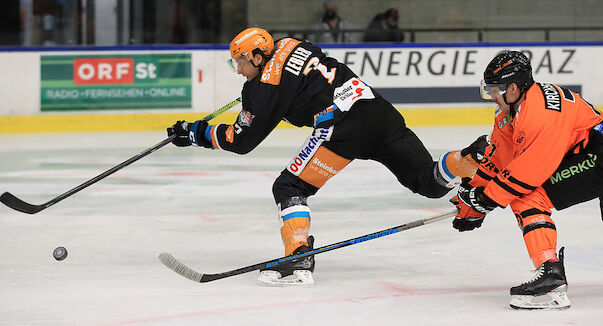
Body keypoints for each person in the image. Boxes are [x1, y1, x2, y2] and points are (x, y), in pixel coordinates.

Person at [167, 27, 486, 286]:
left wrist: (195, 133)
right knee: (429, 182)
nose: (238, 70)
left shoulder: (262, 87)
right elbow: (299, 75)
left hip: (341, 128)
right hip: (377, 110)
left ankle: (298, 256)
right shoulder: (290, 42)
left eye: (240, 61)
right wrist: (273, 102)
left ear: (258, 55)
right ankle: (471, 157)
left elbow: (241, 140)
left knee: (289, 188)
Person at [450, 50, 603, 309]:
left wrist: (485, 201)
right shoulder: (512, 110)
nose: (492, 96)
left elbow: (527, 174)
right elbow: (498, 158)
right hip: (590, 152)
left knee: (529, 195)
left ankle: (551, 274)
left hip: (597, 155)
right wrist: (471, 194)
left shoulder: (540, 116)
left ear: (513, 87)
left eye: (496, 89)